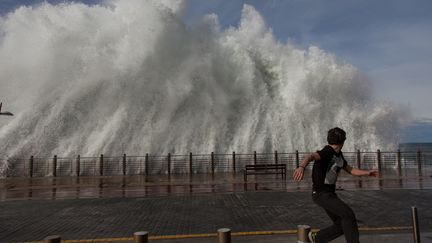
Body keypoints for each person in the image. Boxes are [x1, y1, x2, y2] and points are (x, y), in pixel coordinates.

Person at [293, 127, 378, 243]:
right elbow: (310, 156)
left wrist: (367, 173)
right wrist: (301, 167)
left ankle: (317, 238)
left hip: (329, 194)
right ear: (343, 141)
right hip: (321, 194)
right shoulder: (328, 151)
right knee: (348, 215)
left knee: (342, 224)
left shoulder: (339, 155)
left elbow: (351, 170)